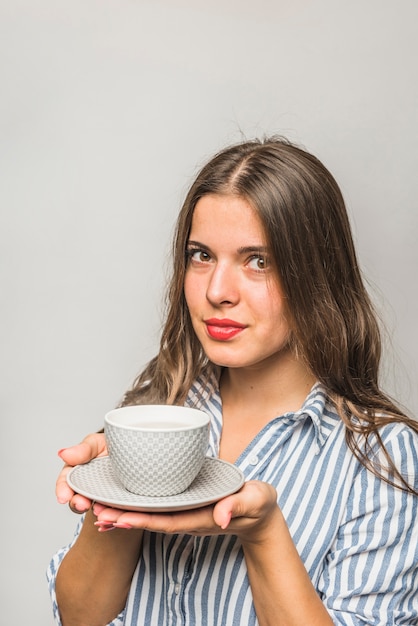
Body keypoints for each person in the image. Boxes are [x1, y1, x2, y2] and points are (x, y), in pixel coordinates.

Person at [48, 137, 418, 626]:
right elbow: (79, 618)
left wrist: (263, 532)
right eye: (201, 256)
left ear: (317, 275)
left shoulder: (381, 459)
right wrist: (114, 488)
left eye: (258, 261)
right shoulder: (158, 410)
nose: (217, 292)